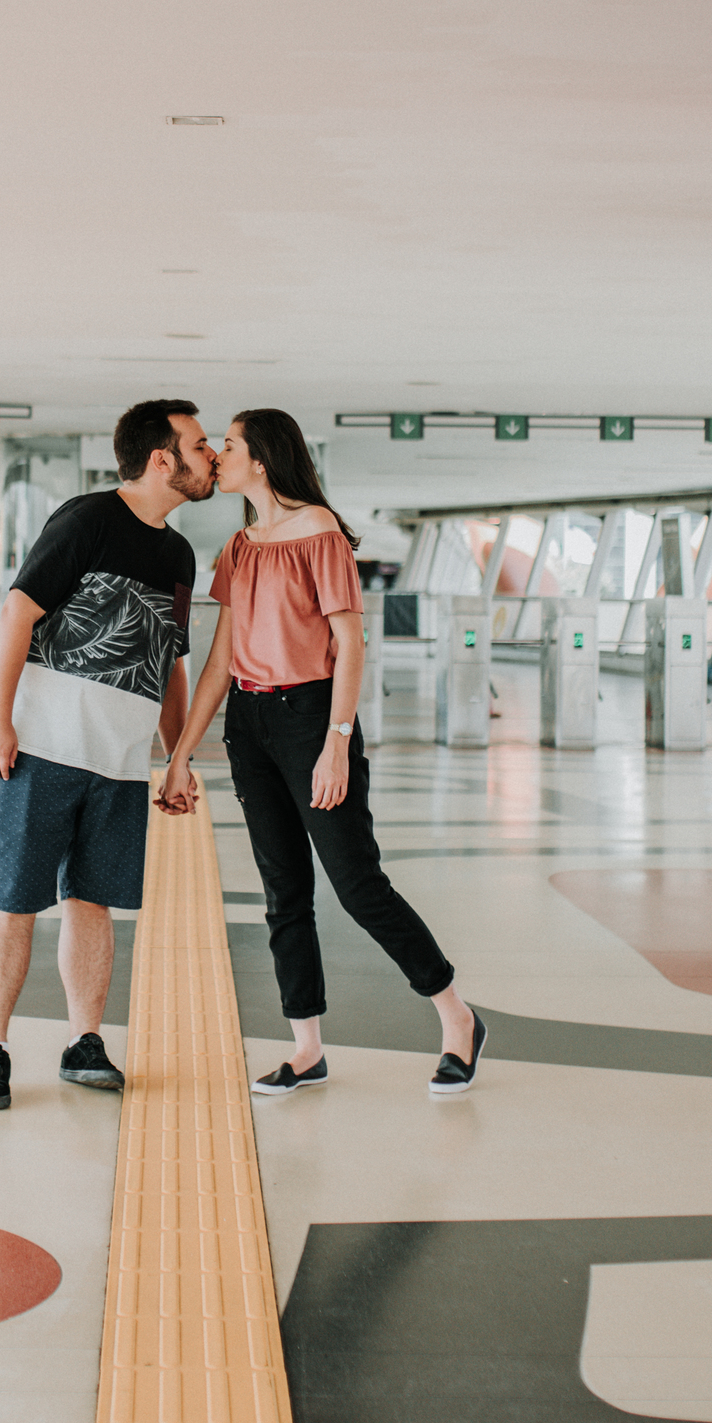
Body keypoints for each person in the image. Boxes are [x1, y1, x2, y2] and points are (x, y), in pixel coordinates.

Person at [158, 407, 486, 1096]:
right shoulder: (239, 546)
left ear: (264, 459)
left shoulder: (319, 533)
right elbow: (220, 657)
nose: (218, 456)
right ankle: (306, 1047)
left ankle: (457, 1019)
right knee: (284, 892)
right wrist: (183, 752)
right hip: (248, 724)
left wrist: (337, 743)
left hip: (310, 717)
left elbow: (351, 645)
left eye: (230, 445)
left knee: (357, 883)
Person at [0, 400, 217, 1111]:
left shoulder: (178, 553)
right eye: (200, 446)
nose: (212, 459)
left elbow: (170, 660)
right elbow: (19, 610)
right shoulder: (87, 519)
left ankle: (85, 1041)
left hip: (119, 763)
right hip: (42, 748)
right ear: (162, 459)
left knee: (93, 903)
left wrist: (177, 759)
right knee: (14, 899)